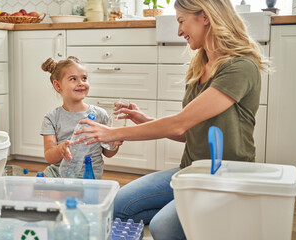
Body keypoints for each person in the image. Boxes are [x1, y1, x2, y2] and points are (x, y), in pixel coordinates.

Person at [73, 0, 270, 239]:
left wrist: (112, 133)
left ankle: (227, 217)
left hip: (225, 177)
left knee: (163, 227)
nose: (179, 31)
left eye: (181, 21)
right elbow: (186, 132)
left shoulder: (241, 67)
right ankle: (203, 217)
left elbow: (180, 122)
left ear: (205, 17)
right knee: (118, 206)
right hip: (191, 170)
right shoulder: (200, 66)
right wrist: (144, 119)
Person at [40, 56, 120, 179]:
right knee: (37, 189)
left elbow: (108, 153)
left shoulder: (100, 115)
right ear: (57, 85)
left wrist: (114, 143)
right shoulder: (52, 118)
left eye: (84, 78)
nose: (81, 83)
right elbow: (49, 157)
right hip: (59, 175)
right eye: (73, 79)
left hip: (89, 176)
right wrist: (61, 148)